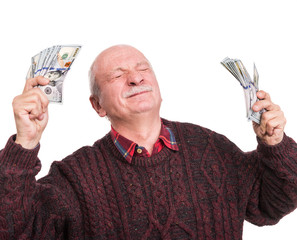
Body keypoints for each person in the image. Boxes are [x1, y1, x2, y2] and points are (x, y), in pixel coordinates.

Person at [0, 44, 297, 240]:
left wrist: (276, 145)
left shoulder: (212, 149)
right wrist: (24, 144)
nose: (134, 79)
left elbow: (275, 204)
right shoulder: (74, 178)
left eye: (142, 69)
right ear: (97, 105)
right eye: (117, 75)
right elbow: (14, 230)